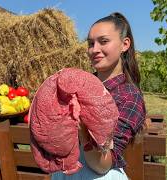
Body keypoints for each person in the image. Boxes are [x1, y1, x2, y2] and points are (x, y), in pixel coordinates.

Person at [52, 12, 146, 179]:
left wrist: (82, 128)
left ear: (125, 45)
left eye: (103, 41)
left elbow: (103, 164)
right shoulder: (79, 85)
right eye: (90, 43)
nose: (94, 50)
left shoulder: (129, 97)